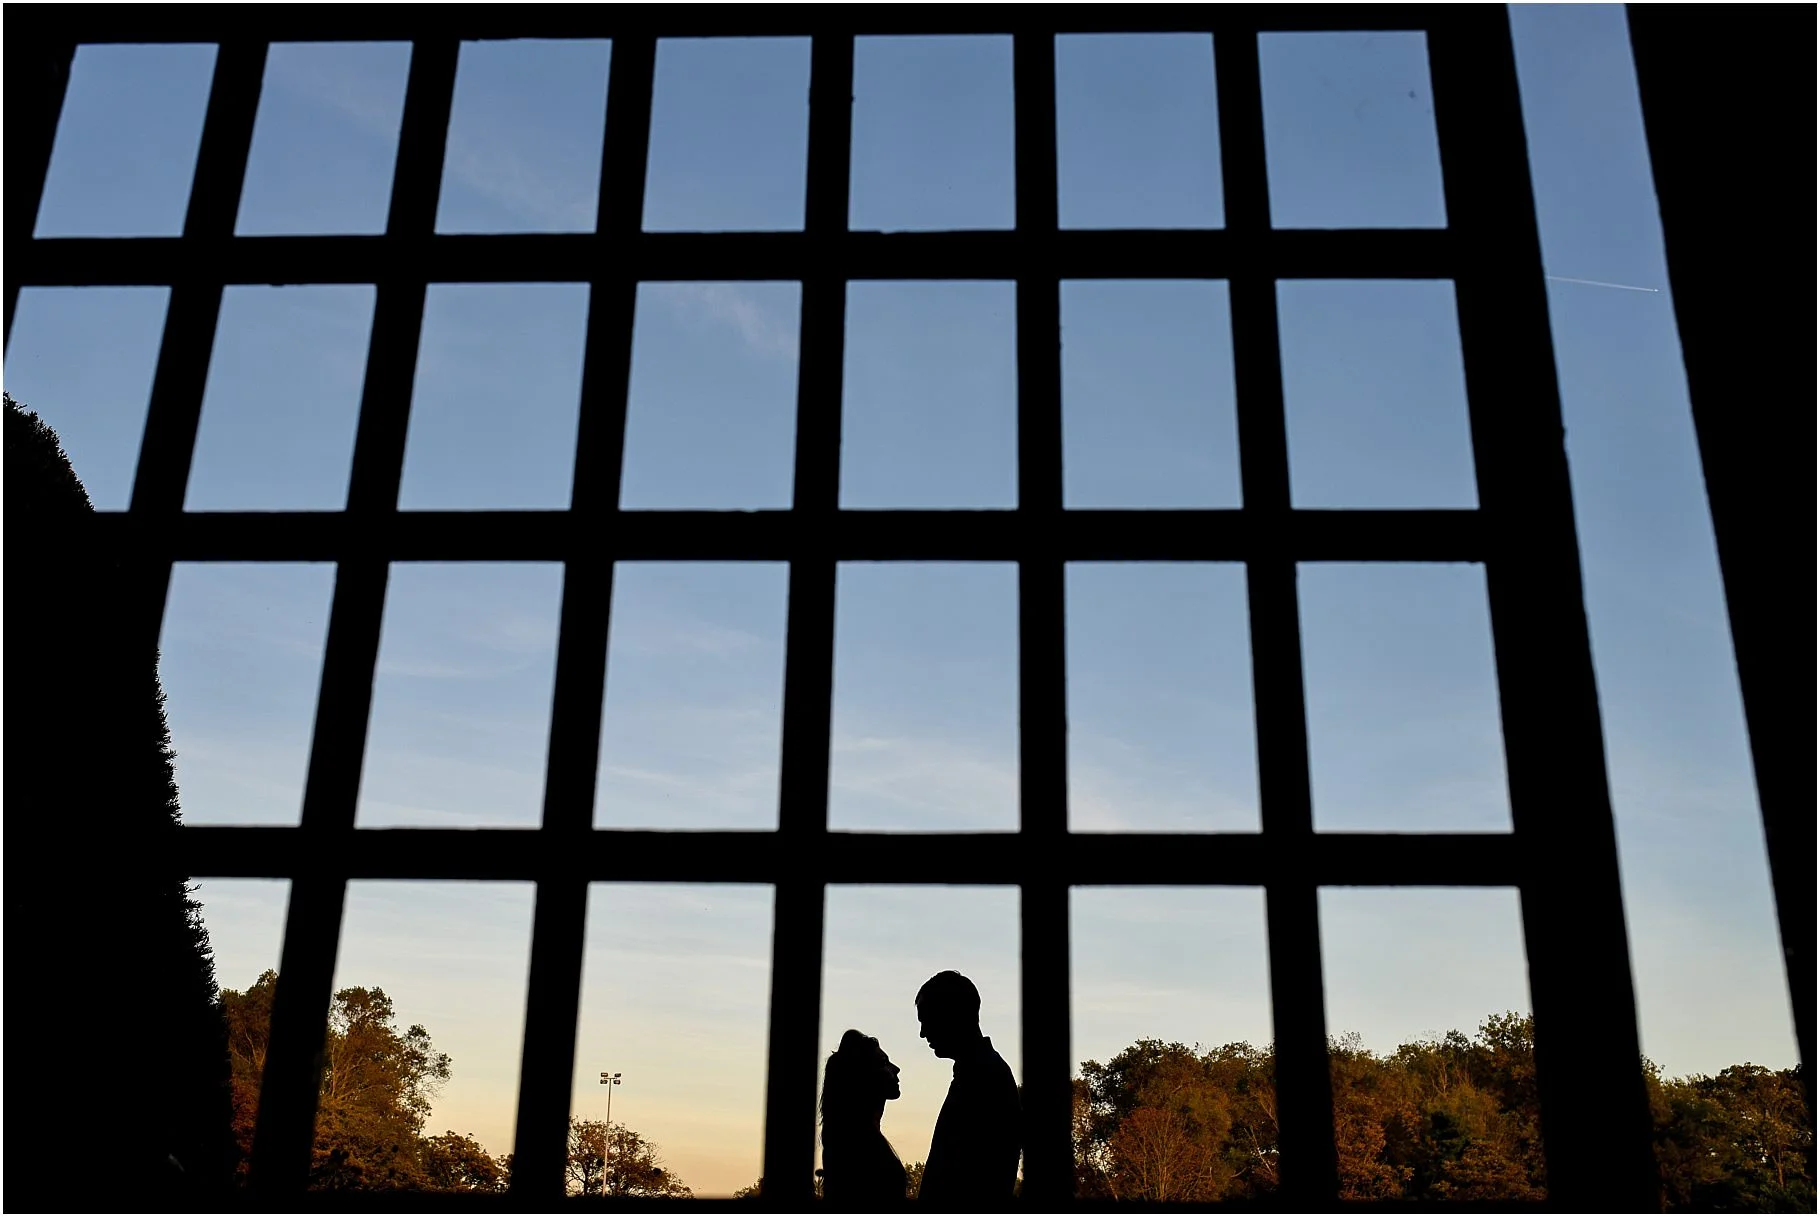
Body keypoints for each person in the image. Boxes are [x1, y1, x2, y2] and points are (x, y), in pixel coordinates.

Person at [914, 971, 1021, 1205]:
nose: (923, 1033)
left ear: (951, 1014)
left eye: (926, 1020)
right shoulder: (983, 1072)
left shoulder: (984, 1077)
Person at [820, 1029, 908, 1206]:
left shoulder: (844, 1139)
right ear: (863, 1075)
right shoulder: (859, 1144)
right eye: (884, 1062)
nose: (896, 1069)